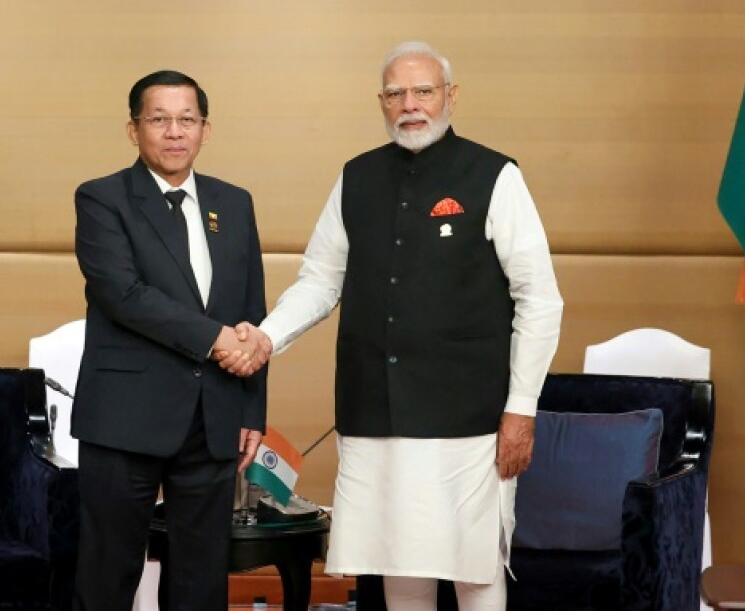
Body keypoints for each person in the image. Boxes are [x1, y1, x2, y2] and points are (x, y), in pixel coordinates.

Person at [228, 42, 563, 611]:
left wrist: (522, 408)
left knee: (475, 566)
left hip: (469, 418)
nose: (410, 105)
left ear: (450, 96)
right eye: (395, 93)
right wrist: (265, 336)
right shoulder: (356, 177)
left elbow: (540, 299)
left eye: (424, 91)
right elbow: (319, 281)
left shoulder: (494, 175)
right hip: (375, 409)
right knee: (401, 566)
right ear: (381, 103)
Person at [71, 70, 269, 611]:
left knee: (201, 581)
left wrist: (252, 408)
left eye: (187, 120)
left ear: (206, 129)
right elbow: (124, 295)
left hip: (214, 416)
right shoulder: (102, 198)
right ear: (134, 130)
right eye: (159, 119)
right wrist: (215, 338)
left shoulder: (233, 203)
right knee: (107, 575)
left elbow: (251, 312)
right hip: (125, 419)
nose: (175, 132)